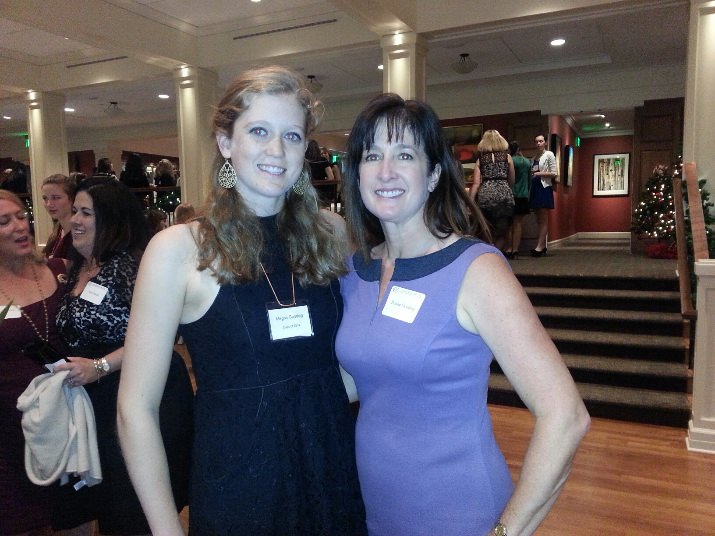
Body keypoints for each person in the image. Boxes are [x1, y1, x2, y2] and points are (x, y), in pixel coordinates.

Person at [117, 65, 366, 536]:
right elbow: (135, 410)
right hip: (242, 484)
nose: (277, 150)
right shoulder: (180, 250)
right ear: (226, 143)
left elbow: (347, 364)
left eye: (292, 136)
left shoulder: (332, 234)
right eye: (259, 131)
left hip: (332, 469)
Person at [337, 94, 590, 536]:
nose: (386, 171)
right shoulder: (354, 272)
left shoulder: (476, 269)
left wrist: (505, 531)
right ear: (356, 172)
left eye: (405, 155)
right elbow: (357, 381)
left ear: (434, 173)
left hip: (459, 511)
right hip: (371, 506)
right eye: (372, 155)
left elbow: (565, 415)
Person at [52, 177, 192, 535]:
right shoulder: (78, 269)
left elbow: (159, 336)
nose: (75, 221)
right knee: (106, 502)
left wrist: (100, 366)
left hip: (140, 390)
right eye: (75, 211)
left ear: (111, 220)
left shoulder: (132, 268)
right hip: (93, 399)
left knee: (133, 505)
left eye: (87, 213)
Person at [0, 190, 68, 536]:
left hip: (64, 417)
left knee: (71, 515)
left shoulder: (57, 269)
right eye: (4, 221)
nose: (18, 226)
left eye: (21, 216)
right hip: (9, 428)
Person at [468, 129, 515, 252]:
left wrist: (470, 202)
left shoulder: (481, 160)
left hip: (486, 195)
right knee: (502, 230)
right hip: (504, 195)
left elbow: (476, 184)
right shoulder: (508, 158)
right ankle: (497, 253)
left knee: (487, 229)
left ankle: (488, 252)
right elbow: (512, 180)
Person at [529, 134, 557, 257]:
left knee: (543, 218)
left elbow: (554, 173)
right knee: (538, 219)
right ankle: (541, 245)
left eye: (541, 141)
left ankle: (540, 246)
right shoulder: (534, 157)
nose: (539, 144)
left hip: (544, 187)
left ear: (545, 142)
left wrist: (539, 173)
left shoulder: (549, 154)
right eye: (536, 142)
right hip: (535, 188)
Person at [41, 173, 79, 260]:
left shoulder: (79, 233)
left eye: (56, 198)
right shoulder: (57, 230)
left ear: (71, 198)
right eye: (45, 198)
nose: (49, 204)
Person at [506, 140, 531, 259]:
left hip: (511, 195)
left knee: (509, 225)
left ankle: (509, 248)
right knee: (518, 224)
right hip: (523, 196)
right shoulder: (527, 162)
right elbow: (529, 181)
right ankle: (515, 249)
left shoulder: (510, 161)